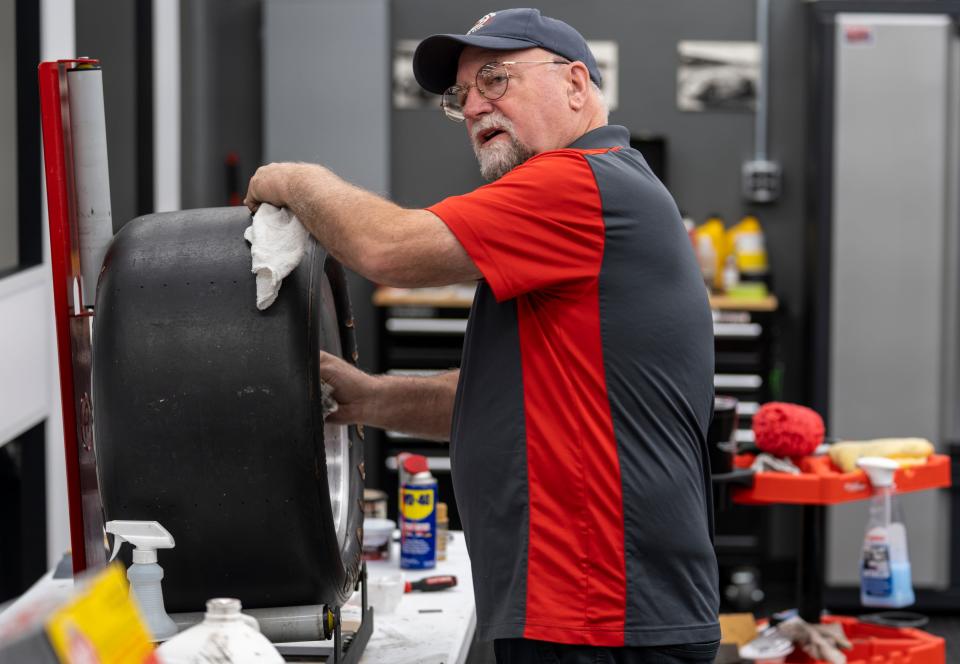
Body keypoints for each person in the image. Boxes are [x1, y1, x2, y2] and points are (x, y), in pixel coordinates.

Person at [245, 8, 720, 663]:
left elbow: (387, 250)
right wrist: (372, 397)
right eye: (461, 95)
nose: (473, 107)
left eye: (495, 80)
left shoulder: (582, 181)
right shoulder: (592, 193)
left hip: (603, 615)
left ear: (576, 85)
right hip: (591, 611)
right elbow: (519, 400)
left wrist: (292, 181)